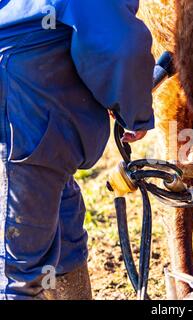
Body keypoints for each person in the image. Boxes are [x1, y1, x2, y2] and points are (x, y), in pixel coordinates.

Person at [0, 0, 155, 300]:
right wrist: (134, 113)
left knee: (63, 222)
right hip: (25, 107)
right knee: (19, 269)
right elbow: (118, 45)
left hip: (36, 109)